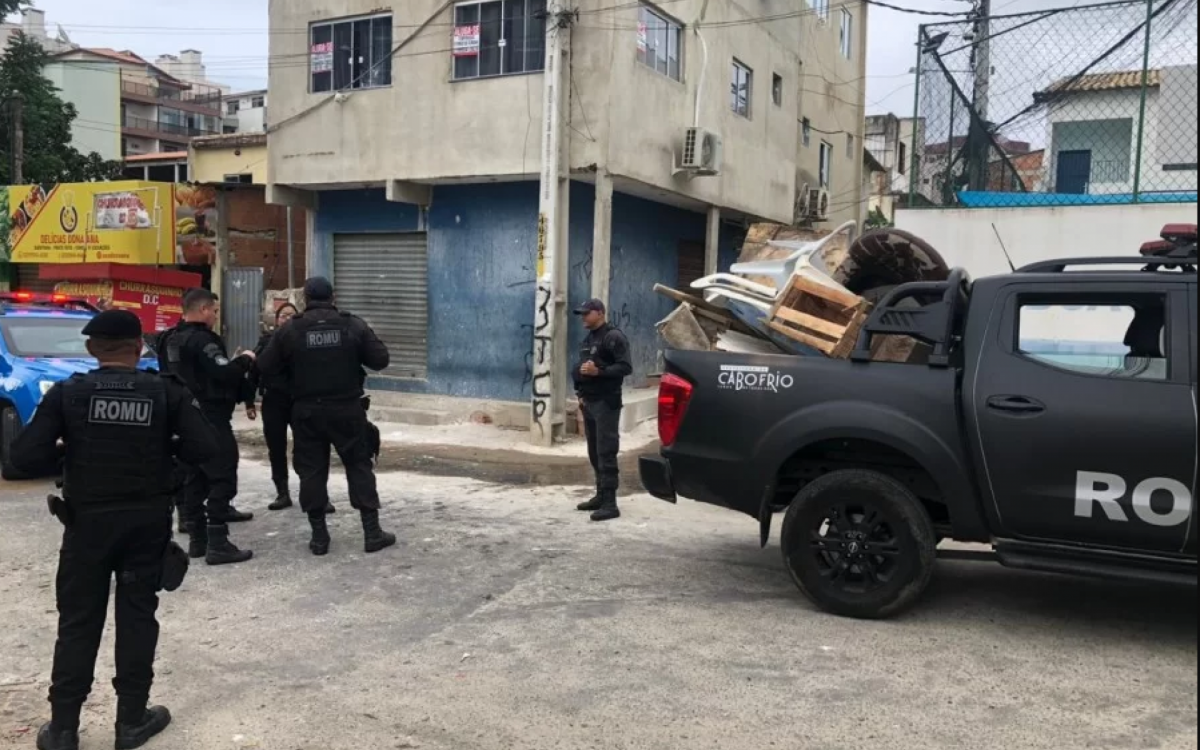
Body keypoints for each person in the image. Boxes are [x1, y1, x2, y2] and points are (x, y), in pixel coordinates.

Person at [9, 310, 218, 750]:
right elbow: (207, 449)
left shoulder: (68, 394)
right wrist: (168, 464)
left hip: (86, 525)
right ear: (140, 346)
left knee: (78, 621)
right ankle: (131, 721)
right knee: (137, 616)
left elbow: (23, 457)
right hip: (145, 523)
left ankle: (63, 729)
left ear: (90, 349)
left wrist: (69, 455)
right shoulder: (166, 392)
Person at [258, 277, 394, 556]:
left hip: (307, 412)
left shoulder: (290, 330)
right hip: (347, 409)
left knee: (312, 470)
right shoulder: (352, 325)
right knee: (359, 465)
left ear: (306, 299)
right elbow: (380, 359)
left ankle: (319, 538)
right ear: (333, 297)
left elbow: (265, 367)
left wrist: (292, 380)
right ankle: (372, 533)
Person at [157, 288, 255, 565]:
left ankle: (198, 541)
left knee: (193, 479)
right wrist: (246, 359)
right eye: (214, 310)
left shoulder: (168, 339)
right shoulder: (203, 340)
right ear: (202, 310)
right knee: (222, 476)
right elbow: (224, 372)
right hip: (210, 418)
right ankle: (218, 543)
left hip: (182, 420)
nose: (215, 315)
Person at [572, 298, 633, 522]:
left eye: (586, 313)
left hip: (606, 402)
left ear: (600, 313)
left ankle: (610, 503)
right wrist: (579, 392)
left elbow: (625, 367)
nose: (583, 317)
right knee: (594, 451)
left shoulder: (613, 337)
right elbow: (581, 369)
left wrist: (599, 372)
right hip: (589, 402)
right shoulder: (588, 339)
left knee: (606, 451)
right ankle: (600, 495)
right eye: (581, 314)